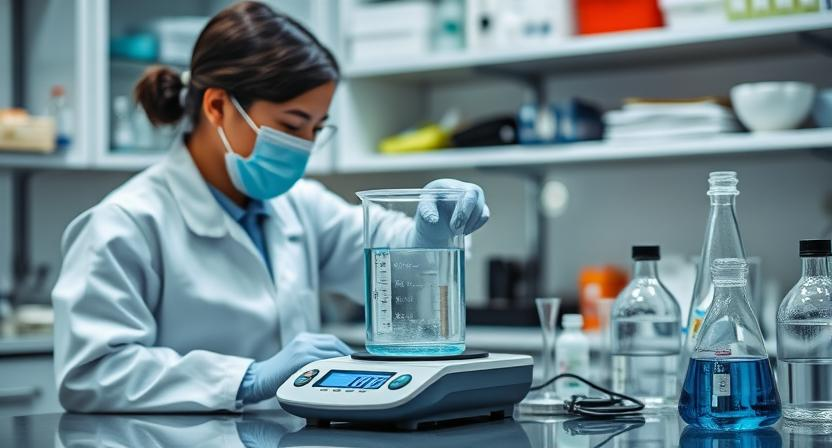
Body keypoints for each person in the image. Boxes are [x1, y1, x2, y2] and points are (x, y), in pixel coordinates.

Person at [52, 1, 490, 412]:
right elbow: (91, 372)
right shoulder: (125, 223)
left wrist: (433, 233)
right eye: (291, 124)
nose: (305, 146)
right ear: (218, 106)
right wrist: (247, 379)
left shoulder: (298, 207)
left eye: (317, 128)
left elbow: (393, 263)